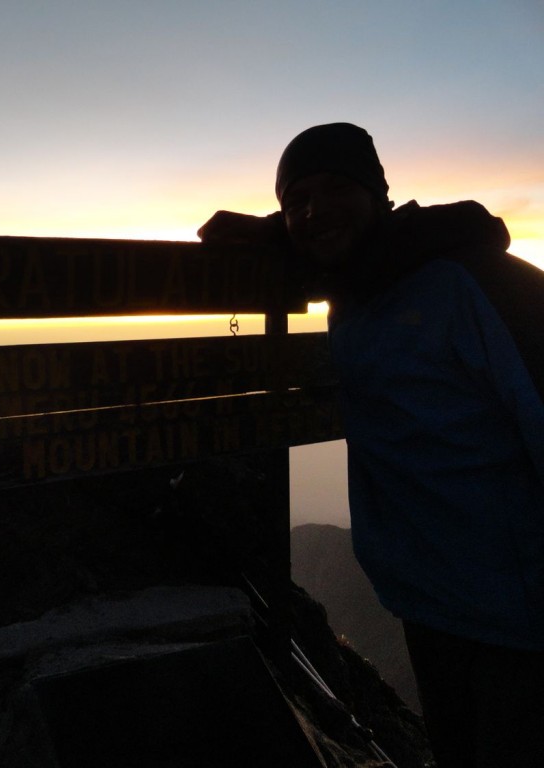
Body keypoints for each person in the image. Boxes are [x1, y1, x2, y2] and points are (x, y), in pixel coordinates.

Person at [198, 123, 544, 767]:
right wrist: (268, 230)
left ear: (381, 195)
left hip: (520, 621)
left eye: (336, 188)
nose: (314, 210)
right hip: (430, 604)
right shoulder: (358, 282)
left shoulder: (480, 285)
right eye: (296, 198)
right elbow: (335, 239)